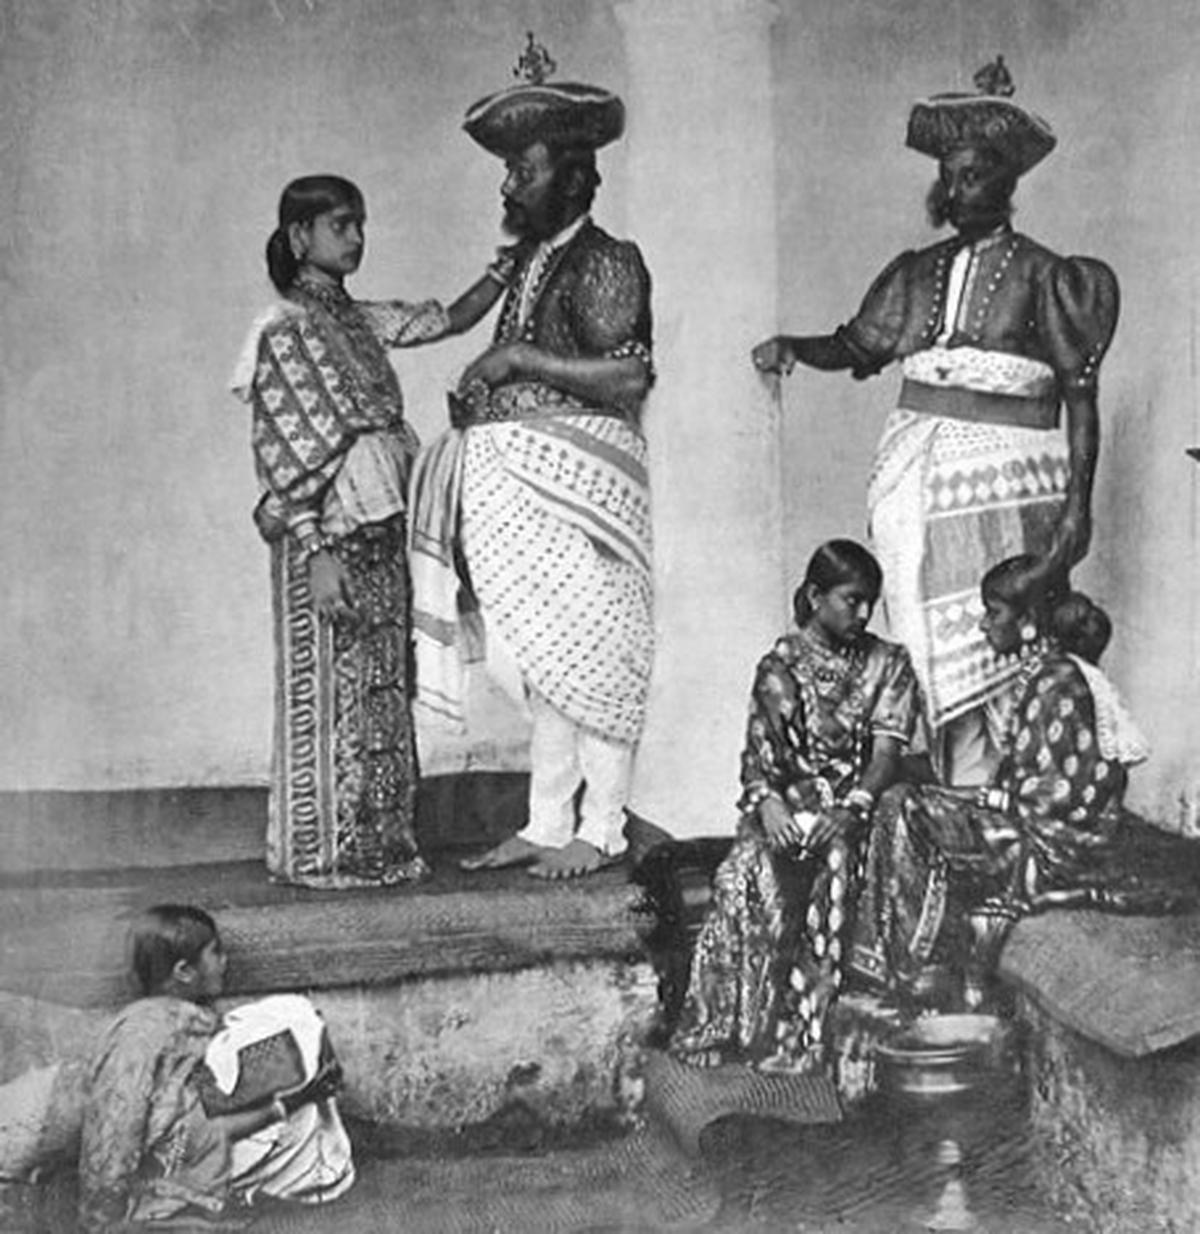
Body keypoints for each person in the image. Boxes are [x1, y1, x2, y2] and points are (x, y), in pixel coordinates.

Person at [751, 58, 1120, 787]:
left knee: (1011, 632)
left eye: (975, 174)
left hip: (1011, 481)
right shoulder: (915, 272)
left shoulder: (1051, 276)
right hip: (915, 480)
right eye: (950, 175)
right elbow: (858, 344)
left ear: (1008, 183)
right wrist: (794, 348)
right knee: (927, 638)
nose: (958, 190)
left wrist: (1078, 507)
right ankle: (963, 788)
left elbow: (1082, 397)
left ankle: (1026, 794)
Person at [231, 174, 520, 888]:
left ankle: (383, 847)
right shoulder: (283, 328)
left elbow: (445, 320)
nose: (356, 238)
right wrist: (316, 549)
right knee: (332, 690)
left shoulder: (359, 319)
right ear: (300, 236)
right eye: (340, 225)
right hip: (327, 530)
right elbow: (280, 449)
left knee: (385, 683)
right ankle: (322, 854)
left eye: (360, 224)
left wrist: (508, 264)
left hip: (386, 517)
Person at [411, 66, 655, 880]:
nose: (510, 187)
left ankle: (606, 828)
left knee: (600, 653)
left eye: (525, 170)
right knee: (546, 663)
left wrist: (514, 356)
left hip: (583, 492)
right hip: (516, 485)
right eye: (507, 172)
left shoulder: (610, 259)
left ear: (576, 178)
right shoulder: (523, 268)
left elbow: (627, 378)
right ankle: (548, 822)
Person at [850, 558, 1165, 1006]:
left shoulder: (1056, 683)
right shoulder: (1051, 675)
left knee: (904, 806)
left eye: (993, 612)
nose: (983, 625)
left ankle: (911, 967)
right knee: (909, 795)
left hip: (1054, 850)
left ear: (1030, 622)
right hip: (1046, 833)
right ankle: (909, 965)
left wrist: (976, 796)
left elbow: (1047, 802)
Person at [668, 541, 919, 1075]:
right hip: (790, 808)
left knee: (833, 862)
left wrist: (851, 807)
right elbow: (759, 759)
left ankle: (803, 1034)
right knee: (743, 877)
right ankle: (726, 1027)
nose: (864, 613)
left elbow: (886, 756)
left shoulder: (888, 663)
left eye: (870, 602)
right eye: (852, 600)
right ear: (815, 596)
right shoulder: (779, 667)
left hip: (859, 811)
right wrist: (771, 807)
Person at [78, 905, 353, 1231]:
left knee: (294, 1019)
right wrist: (300, 1097)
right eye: (216, 952)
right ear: (184, 971)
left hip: (189, 1147)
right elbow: (182, 1131)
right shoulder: (147, 1035)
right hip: (169, 1171)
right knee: (305, 1107)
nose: (225, 961)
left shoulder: (179, 1022)